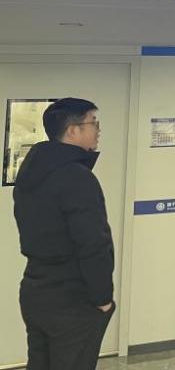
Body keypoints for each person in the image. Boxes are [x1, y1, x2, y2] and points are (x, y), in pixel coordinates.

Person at [13, 98, 115, 370]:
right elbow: (92, 244)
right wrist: (103, 299)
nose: (98, 130)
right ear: (72, 130)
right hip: (71, 297)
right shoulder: (76, 177)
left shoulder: (31, 172)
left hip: (35, 288)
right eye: (93, 123)